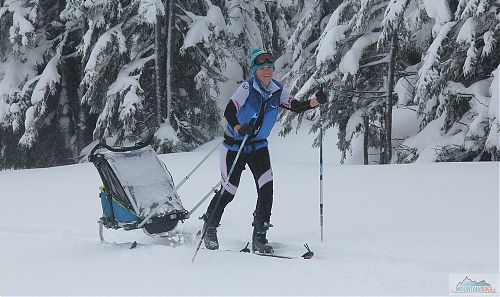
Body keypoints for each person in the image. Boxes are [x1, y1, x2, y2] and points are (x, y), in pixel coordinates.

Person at [201, 48, 327, 253]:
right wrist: (240, 127)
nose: (267, 71)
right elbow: (230, 111)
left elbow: (294, 106)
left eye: (270, 67)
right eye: (262, 68)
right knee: (229, 191)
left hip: (258, 147)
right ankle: (210, 227)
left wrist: (315, 102)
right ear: (255, 70)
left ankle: (260, 235)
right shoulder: (246, 87)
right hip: (235, 146)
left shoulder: (277, 89)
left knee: (266, 189)